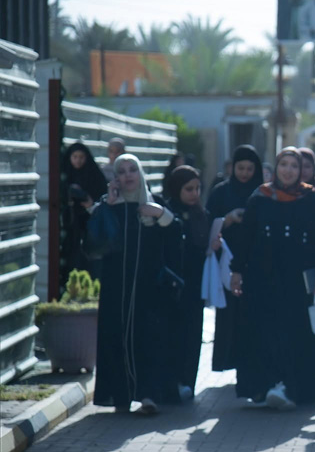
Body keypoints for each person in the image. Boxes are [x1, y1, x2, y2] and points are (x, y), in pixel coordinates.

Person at [229, 147, 315, 409]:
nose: (288, 170)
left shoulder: (310, 198)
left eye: (294, 166)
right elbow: (246, 237)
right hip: (262, 279)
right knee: (264, 331)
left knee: (295, 333)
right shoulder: (260, 197)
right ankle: (264, 386)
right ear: (276, 167)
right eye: (284, 164)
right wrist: (237, 270)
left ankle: (292, 388)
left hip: (298, 280)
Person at [88, 154, 181, 414]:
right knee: (115, 337)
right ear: (116, 177)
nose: (128, 175)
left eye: (132, 170)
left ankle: (148, 395)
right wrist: (108, 206)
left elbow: (176, 234)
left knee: (148, 338)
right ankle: (121, 395)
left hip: (148, 287)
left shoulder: (153, 203)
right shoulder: (109, 205)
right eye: (122, 171)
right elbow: (94, 242)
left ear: (140, 174)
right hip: (116, 286)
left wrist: (160, 214)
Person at [206, 145, 264, 372]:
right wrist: (228, 220)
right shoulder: (221, 192)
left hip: (255, 263)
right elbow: (208, 223)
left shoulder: (263, 192)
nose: (245, 173)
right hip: (226, 263)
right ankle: (228, 361)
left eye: (250, 168)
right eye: (241, 168)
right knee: (228, 314)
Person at [165, 165, 213, 402]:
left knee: (192, 335)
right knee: (172, 336)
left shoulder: (202, 214)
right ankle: (171, 383)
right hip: (172, 286)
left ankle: (187, 382)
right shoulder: (167, 213)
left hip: (195, 286)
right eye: (188, 189)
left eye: (197, 188)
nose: (194, 194)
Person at [59, 142, 108, 291]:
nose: (78, 160)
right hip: (68, 229)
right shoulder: (64, 175)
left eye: (81, 157)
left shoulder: (94, 176)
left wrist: (89, 202)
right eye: (74, 157)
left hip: (89, 227)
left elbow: (103, 198)